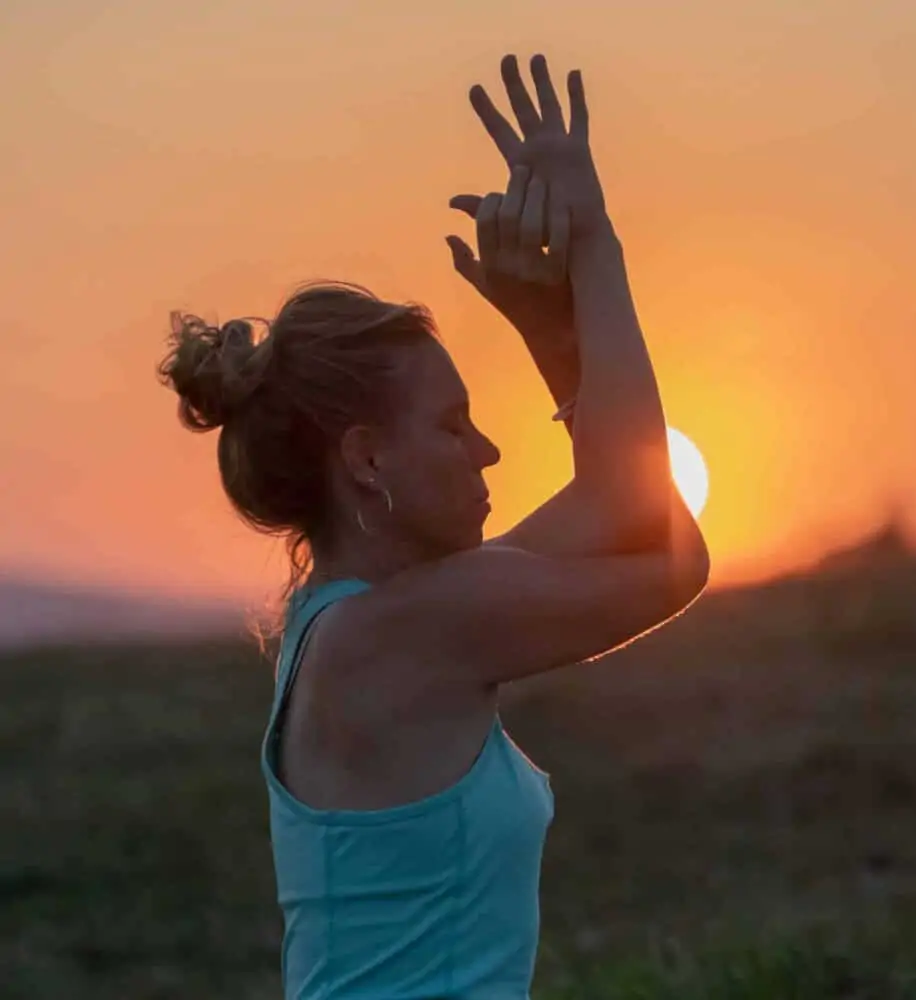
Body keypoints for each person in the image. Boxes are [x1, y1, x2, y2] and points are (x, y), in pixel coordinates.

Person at [158, 52, 709, 1000]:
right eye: (453, 427)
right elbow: (666, 547)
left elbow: (648, 522)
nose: (488, 452)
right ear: (368, 459)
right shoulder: (411, 628)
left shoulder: (361, 623)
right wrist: (593, 254)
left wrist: (555, 328)